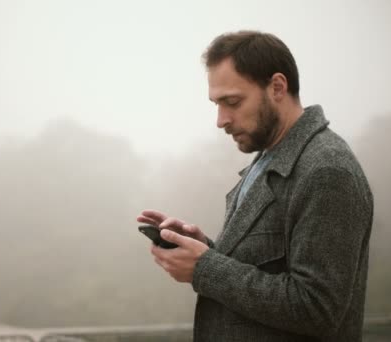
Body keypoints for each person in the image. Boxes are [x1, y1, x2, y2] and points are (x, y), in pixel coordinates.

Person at [137, 31, 373, 341]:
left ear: (277, 86)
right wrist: (206, 249)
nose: (221, 120)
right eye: (217, 104)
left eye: (232, 102)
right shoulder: (269, 157)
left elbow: (317, 308)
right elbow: (265, 268)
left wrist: (205, 268)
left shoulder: (327, 170)